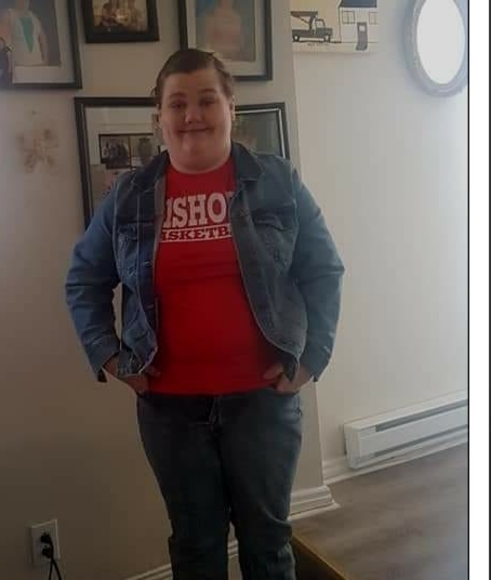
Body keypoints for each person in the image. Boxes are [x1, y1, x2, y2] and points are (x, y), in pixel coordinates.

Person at [66, 49, 344, 579]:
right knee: (196, 547)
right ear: (160, 117)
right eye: (177, 103)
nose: (192, 115)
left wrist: (313, 357)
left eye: (206, 100)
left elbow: (323, 270)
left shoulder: (277, 181)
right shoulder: (129, 196)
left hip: (262, 403)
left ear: (230, 107)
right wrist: (111, 357)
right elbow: (83, 279)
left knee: (268, 543)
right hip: (171, 411)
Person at [0, 0, 48, 67]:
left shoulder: (33, 16)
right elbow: (4, 41)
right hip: (19, 65)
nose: (24, 2)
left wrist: (45, 60)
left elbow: (43, 38)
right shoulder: (8, 14)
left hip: (38, 64)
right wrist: (10, 64)